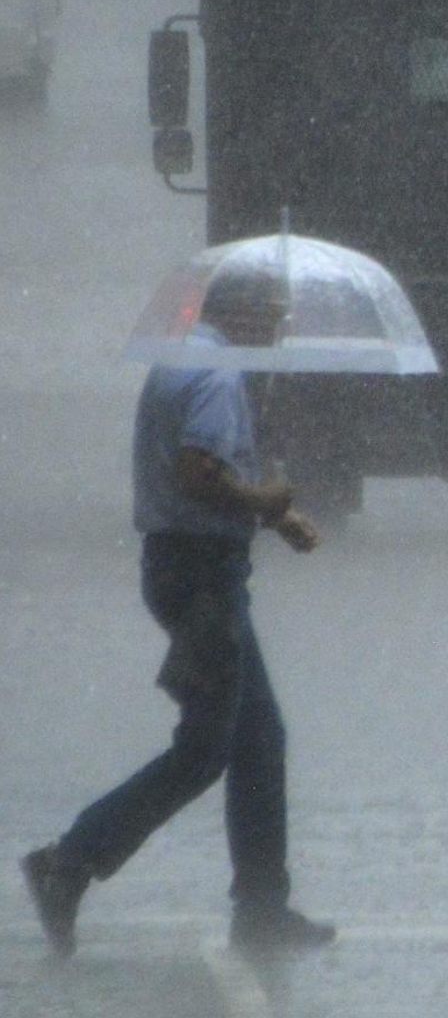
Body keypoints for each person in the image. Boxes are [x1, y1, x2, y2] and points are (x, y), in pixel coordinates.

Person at [20, 268, 334, 958]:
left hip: (186, 569)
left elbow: (197, 473)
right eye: (273, 318)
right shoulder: (219, 376)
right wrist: (265, 503)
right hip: (202, 579)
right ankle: (69, 862)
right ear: (243, 316)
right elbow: (197, 472)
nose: (278, 333)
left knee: (258, 741)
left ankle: (261, 905)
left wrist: (277, 519)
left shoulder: (188, 359)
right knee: (206, 751)